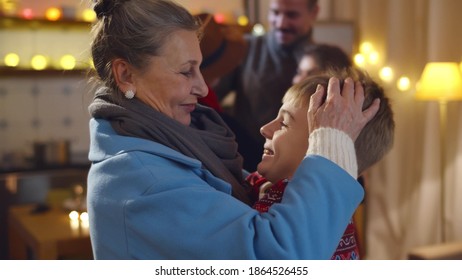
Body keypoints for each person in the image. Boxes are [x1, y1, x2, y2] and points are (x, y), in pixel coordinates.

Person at [86, 0, 380, 259]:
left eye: (200, 69)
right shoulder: (144, 183)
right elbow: (279, 260)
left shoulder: (178, 146)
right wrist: (329, 146)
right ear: (125, 75)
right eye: (186, 71)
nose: (202, 88)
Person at [247, 67, 395, 260]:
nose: (264, 129)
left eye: (284, 123)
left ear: (326, 144)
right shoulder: (264, 188)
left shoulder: (309, 224)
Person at [213, 0, 320, 171]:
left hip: (300, 168)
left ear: (314, 13)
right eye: (275, 13)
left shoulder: (323, 60)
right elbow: (210, 97)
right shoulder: (245, 48)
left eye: (292, 15)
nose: (281, 23)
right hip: (242, 160)